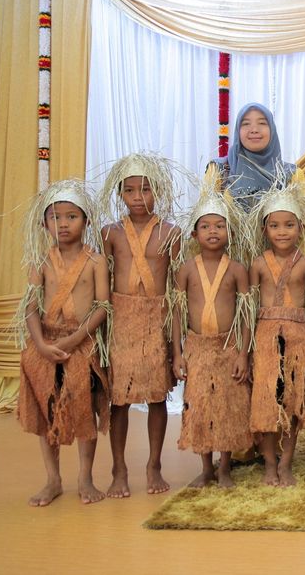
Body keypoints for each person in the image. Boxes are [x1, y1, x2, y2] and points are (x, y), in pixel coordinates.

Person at [14, 180, 111, 506]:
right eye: (55, 217)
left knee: (84, 411)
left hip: (81, 345)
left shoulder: (96, 262)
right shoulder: (40, 261)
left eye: (71, 216)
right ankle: (53, 479)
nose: (63, 224)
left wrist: (76, 338)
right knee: (48, 411)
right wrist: (41, 345)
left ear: (86, 221)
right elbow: (30, 307)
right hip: (47, 345)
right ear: (44, 224)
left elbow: (102, 306)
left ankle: (85, 477)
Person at [98, 154, 181, 498]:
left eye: (145, 189)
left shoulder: (171, 233)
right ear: (120, 193)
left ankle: (154, 465)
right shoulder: (110, 233)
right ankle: (119, 468)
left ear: (158, 191)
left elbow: (177, 288)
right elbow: (102, 284)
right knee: (118, 399)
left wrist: (176, 343)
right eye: (130, 190)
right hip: (121, 321)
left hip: (156, 319)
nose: (137, 197)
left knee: (157, 396)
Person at [170, 171, 254, 489]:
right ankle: (205, 468)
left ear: (229, 233)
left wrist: (243, 354)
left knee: (228, 407)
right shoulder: (186, 270)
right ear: (194, 234)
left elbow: (246, 316)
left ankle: (225, 467)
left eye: (219, 226)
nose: (213, 231)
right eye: (205, 226)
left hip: (228, 347)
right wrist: (178, 353)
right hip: (197, 349)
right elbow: (177, 313)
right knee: (201, 406)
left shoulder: (237, 270)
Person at [248, 174, 305, 487]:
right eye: (275, 225)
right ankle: (269, 463)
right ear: (264, 230)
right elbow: (248, 310)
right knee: (267, 402)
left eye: (289, 225)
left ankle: (286, 463)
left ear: (301, 228)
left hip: (297, 342)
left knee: (294, 403)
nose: (282, 231)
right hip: (265, 341)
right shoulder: (258, 264)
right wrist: (249, 349)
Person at [215, 102, 297, 212]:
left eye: (262, 123)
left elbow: (300, 220)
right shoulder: (218, 170)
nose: (254, 130)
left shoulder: (291, 175)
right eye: (246, 124)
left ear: (272, 129)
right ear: (238, 130)